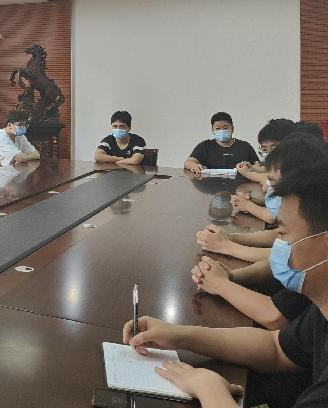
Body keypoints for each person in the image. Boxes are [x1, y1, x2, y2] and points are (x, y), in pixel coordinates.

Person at [123, 161, 328, 408]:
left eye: (282, 234)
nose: (276, 247)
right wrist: (178, 335)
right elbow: (276, 348)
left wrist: (209, 389)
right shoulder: (322, 311)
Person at [198, 135, 328, 264]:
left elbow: (287, 256)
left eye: (273, 182)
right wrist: (230, 238)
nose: (267, 188)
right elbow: (280, 234)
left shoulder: (315, 214)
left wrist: (225, 247)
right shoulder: (302, 205)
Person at [184, 112, 258, 174]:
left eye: (225, 128)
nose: (222, 131)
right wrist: (194, 165)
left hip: (241, 185)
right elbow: (188, 162)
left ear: (232, 129)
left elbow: (259, 166)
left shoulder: (245, 146)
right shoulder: (205, 145)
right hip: (211, 184)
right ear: (212, 130)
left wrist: (251, 167)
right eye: (217, 128)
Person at [236, 118, 295, 185]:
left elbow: (270, 180)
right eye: (265, 149)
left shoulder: (293, 160)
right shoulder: (280, 159)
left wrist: (246, 173)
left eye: (273, 148)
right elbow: (272, 169)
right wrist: (252, 168)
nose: (269, 153)